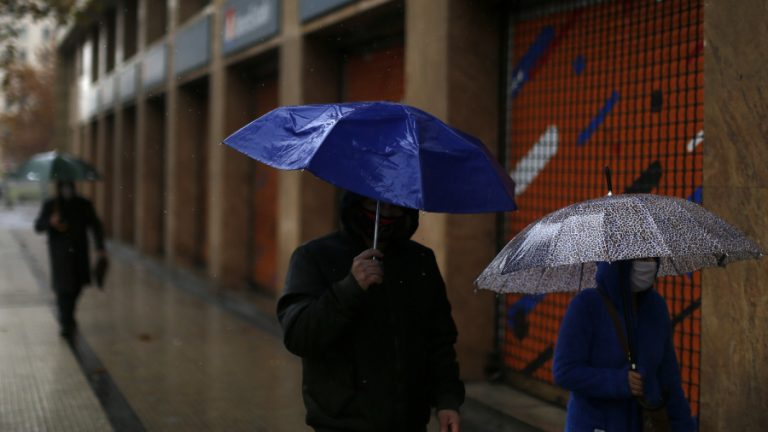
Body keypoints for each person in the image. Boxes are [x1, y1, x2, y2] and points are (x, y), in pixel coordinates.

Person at [277, 191, 464, 432]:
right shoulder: (314, 257)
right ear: (355, 202)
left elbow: (439, 340)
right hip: (342, 423)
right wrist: (350, 287)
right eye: (373, 203)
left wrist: (447, 400)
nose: (384, 213)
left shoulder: (420, 261)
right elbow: (298, 335)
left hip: (409, 422)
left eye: (393, 205)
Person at [553, 259, 696, 431]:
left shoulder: (656, 307)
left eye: (652, 257)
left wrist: (683, 425)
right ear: (620, 261)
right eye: (641, 257)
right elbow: (565, 372)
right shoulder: (586, 305)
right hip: (596, 425)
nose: (648, 264)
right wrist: (619, 381)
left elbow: (668, 377)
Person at [35, 180, 106, 339]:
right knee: (63, 288)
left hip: (79, 253)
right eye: (63, 186)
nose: (66, 189)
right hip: (60, 255)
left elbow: (95, 225)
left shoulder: (82, 204)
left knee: (77, 286)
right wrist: (50, 222)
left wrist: (100, 247)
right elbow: (38, 226)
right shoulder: (51, 205)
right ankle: (65, 323)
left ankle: (68, 316)